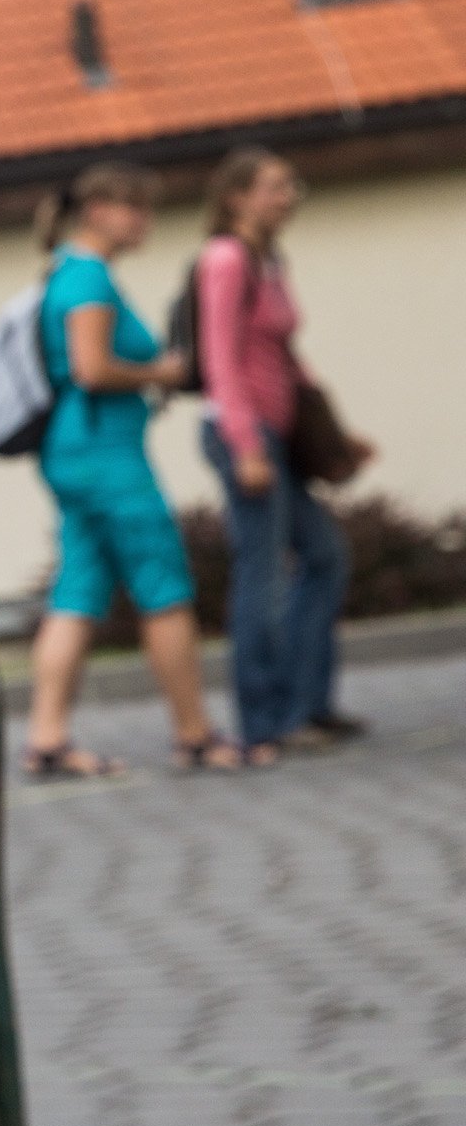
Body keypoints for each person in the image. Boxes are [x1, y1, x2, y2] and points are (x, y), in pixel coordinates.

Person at [19, 162, 249, 777]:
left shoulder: (65, 273)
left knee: (78, 590)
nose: (146, 221)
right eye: (136, 208)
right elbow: (93, 369)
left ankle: (47, 740)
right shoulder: (90, 279)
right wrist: (163, 373)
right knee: (165, 587)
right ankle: (195, 733)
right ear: (98, 209)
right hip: (106, 456)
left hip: (72, 452)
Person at [192, 148, 368, 754]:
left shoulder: (270, 261)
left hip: (281, 434)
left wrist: (332, 432)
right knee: (263, 575)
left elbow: (285, 356)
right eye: (273, 187)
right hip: (244, 434)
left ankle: (307, 702)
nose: (287, 196)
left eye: (291, 185)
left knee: (324, 556)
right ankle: (267, 720)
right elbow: (220, 360)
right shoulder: (225, 260)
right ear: (236, 197)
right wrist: (246, 446)